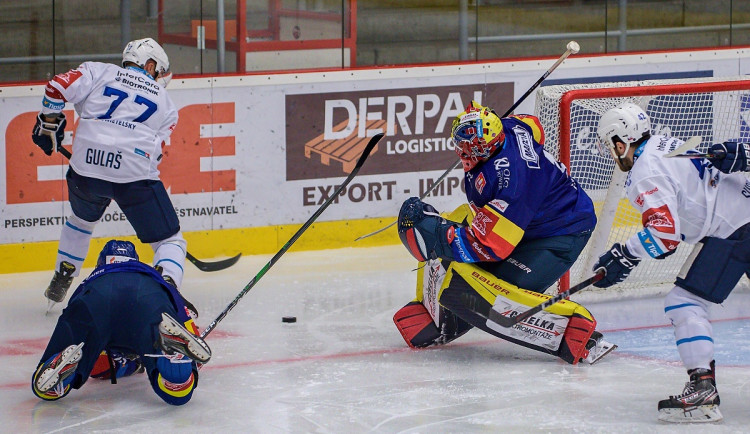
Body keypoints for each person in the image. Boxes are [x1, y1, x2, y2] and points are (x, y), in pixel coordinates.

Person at [393, 101, 616, 365]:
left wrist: (439, 239)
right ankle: (438, 313)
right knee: (460, 229)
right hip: (530, 222)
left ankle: (578, 334)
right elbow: (533, 125)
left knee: (485, 291)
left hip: (560, 233)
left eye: (466, 144)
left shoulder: (512, 183)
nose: (460, 150)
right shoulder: (511, 127)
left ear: (482, 147)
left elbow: (490, 246)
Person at [593, 103, 750, 423]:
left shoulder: (644, 171)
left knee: (684, 302)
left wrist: (626, 253)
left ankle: (702, 387)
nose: (612, 154)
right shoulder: (666, 143)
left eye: (611, 147)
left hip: (734, 228)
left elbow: (664, 235)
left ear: (620, 143)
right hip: (740, 215)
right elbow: (677, 223)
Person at [31, 37, 185, 309]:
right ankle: (167, 294)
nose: (159, 78)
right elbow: (155, 157)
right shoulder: (167, 104)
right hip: (134, 176)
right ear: (150, 65)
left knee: (80, 220)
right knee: (169, 239)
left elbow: (56, 87)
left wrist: (49, 123)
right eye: (158, 71)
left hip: (85, 171)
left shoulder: (98, 71)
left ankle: (62, 277)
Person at [31, 240, 211, 405]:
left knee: (87, 357)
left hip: (96, 299)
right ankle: (173, 360)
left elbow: (72, 312)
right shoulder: (153, 277)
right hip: (150, 299)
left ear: (102, 263)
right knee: (179, 396)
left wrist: (69, 337)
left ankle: (57, 375)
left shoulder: (94, 277)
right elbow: (187, 328)